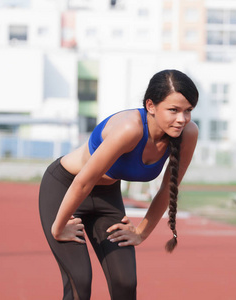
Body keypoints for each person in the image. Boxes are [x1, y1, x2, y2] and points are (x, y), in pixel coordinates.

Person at [39, 69, 199, 300]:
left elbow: (168, 189)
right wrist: (58, 226)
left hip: (106, 197)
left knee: (125, 283)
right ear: (151, 106)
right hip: (66, 188)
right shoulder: (130, 128)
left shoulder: (187, 134)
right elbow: (83, 181)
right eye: (173, 110)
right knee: (79, 284)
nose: (182, 119)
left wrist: (141, 232)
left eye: (188, 111)